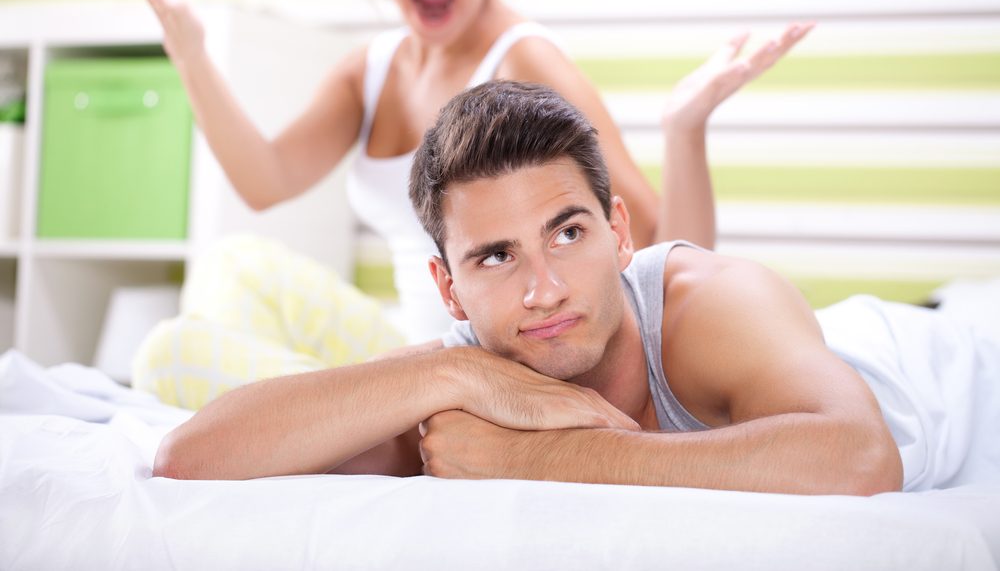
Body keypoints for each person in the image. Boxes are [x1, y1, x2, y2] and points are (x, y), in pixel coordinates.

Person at [153, 80, 1000, 494]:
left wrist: (541, 457)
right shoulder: (466, 371)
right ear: (448, 290)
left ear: (620, 231)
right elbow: (188, 459)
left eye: (568, 232)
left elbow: (861, 457)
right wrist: (452, 374)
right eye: (495, 257)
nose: (545, 288)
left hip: (959, 364)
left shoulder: (711, 302)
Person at [81, 0, 813, 364]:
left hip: (503, 361)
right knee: (235, 264)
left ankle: (342, 418)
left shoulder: (526, 60)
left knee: (172, 355)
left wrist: (684, 131)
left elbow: (664, 253)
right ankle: (343, 414)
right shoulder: (369, 69)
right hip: (420, 346)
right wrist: (188, 46)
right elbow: (263, 178)